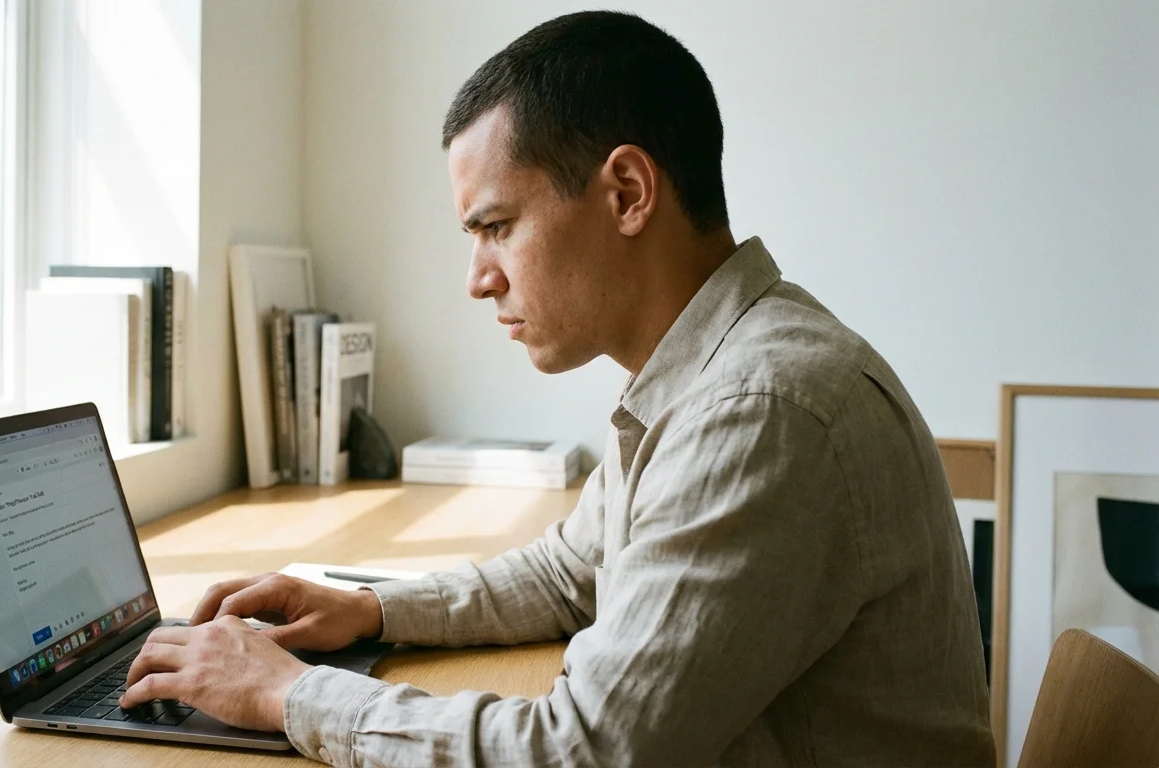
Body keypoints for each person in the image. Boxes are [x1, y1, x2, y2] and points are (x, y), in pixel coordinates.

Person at [121, 10, 994, 766]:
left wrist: (287, 696)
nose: (478, 277)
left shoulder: (760, 412)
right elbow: (574, 569)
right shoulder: (713, 373)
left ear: (626, 192)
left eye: (496, 226)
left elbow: (586, 752)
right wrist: (367, 608)